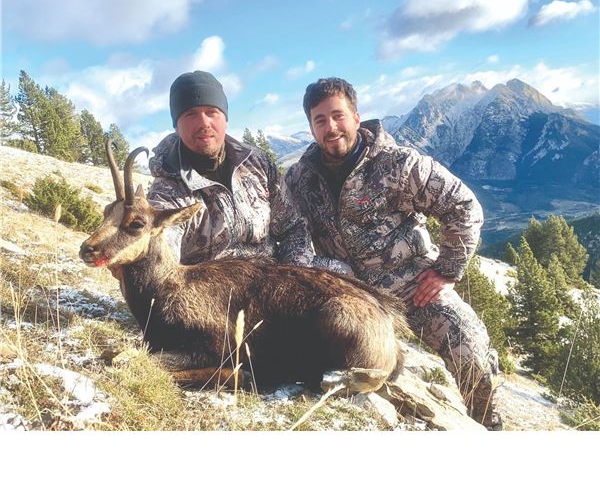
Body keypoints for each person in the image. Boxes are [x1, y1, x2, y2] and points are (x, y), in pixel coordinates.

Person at [285, 77, 502, 430]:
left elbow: (463, 206)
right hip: (348, 298)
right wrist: (318, 270)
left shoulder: (397, 164)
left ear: (356, 117)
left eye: (338, 116)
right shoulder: (298, 180)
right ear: (311, 128)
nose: (331, 127)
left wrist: (448, 269)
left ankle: (487, 426)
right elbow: (289, 232)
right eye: (320, 120)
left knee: (470, 348)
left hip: (413, 288)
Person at [146, 70, 313, 267]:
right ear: (176, 126)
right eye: (190, 114)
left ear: (225, 118)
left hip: (275, 275)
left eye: (211, 112)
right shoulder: (166, 193)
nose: (204, 123)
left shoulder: (257, 163)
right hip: (210, 285)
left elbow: (293, 226)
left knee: (339, 273)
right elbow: (161, 257)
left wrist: (294, 273)